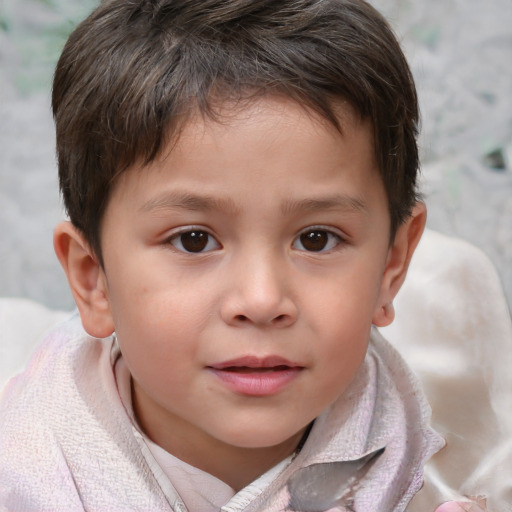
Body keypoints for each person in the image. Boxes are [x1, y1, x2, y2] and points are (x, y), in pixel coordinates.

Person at [0, 0, 486, 510]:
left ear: (392, 265)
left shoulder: (428, 472)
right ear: (92, 278)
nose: (261, 299)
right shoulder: (25, 476)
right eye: (193, 240)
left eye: (316, 239)